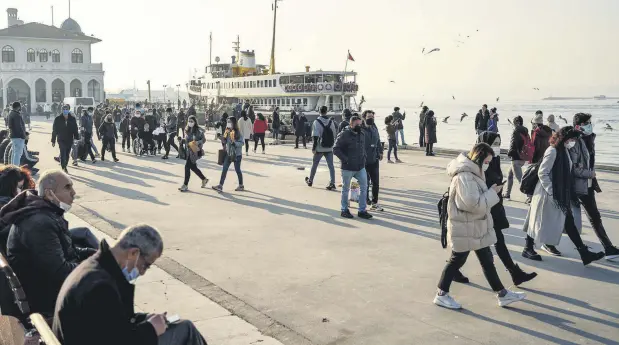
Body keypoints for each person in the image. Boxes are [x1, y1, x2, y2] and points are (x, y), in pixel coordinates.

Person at [53, 224, 208, 345]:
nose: (142, 272)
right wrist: (150, 329)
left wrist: (144, 319)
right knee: (185, 330)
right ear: (133, 253)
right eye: (146, 265)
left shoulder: (94, 267)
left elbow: (111, 325)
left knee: (180, 326)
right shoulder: (101, 287)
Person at [433, 143, 526, 310]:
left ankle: (502, 294)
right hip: (466, 226)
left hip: (473, 226)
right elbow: (472, 205)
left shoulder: (472, 173)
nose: (488, 165)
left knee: (486, 260)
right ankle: (441, 294)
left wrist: (491, 191)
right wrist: (492, 193)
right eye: (487, 161)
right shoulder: (465, 176)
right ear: (479, 158)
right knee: (457, 260)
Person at [2, 170, 97, 315]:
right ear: (49, 193)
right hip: (46, 298)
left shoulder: (45, 213)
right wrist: (96, 267)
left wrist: (99, 255)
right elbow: (60, 271)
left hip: (46, 287)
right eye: (67, 187)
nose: (73, 193)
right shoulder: (39, 223)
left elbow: (69, 250)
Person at [455, 133, 537, 286]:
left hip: (494, 206)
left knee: (479, 245)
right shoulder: (478, 164)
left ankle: (453, 270)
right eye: (494, 143)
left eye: (499, 143)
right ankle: (511, 277)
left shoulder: (494, 160)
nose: (497, 147)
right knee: (483, 247)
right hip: (483, 209)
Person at [522, 127, 605, 265]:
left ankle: (584, 253)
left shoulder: (564, 150)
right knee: (536, 219)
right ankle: (527, 248)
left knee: (568, 221)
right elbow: (543, 173)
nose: (573, 142)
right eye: (571, 139)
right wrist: (552, 193)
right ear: (564, 139)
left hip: (560, 193)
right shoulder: (553, 151)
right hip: (548, 193)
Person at [570, 113, 618, 261]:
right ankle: (537, 243)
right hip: (579, 185)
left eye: (590, 123)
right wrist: (590, 174)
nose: (590, 125)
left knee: (594, 216)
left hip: (588, 184)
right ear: (578, 126)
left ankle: (608, 248)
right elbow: (574, 167)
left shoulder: (589, 139)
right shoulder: (574, 142)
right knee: (564, 218)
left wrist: (592, 177)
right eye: (587, 123)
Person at [333, 116, 372, 220]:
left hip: (360, 167)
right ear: (351, 124)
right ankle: (344, 210)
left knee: (365, 187)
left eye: (360, 124)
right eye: (357, 124)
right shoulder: (344, 134)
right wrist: (345, 160)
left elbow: (363, 148)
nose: (359, 126)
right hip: (348, 167)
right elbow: (335, 149)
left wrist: (364, 158)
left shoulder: (362, 134)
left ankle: (362, 210)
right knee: (346, 189)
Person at [306, 106, 337, 190]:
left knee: (315, 164)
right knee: (331, 166)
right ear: (326, 112)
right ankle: (332, 183)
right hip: (329, 148)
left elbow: (315, 136)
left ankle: (310, 180)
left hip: (320, 148)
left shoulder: (316, 122)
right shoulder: (331, 122)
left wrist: (314, 148)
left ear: (319, 111)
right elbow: (334, 134)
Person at [212, 116, 244, 192]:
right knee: (224, 169)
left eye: (230, 122)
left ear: (234, 123)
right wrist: (220, 137)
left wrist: (234, 143)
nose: (228, 123)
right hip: (228, 153)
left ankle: (241, 185)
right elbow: (225, 141)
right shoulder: (227, 131)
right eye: (227, 122)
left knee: (237, 170)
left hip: (237, 154)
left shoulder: (238, 132)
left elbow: (242, 143)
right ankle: (220, 185)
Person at [179, 115, 208, 192]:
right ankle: (204, 179)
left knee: (187, 167)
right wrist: (183, 140)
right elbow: (187, 139)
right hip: (189, 151)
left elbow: (204, 140)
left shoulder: (199, 131)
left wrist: (197, 142)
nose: (190, 123)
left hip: (195, 151)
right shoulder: (187, 129)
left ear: (195, 122)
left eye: (192, 121)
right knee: (193, 167)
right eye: (189, 121)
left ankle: (185, 185)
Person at [362, 111, 384, 211]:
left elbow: (378, 140)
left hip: (374, 159)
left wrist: (380, 152)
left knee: (376, 182)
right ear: (364, 117)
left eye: (372, 116)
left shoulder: (374, 128)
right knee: (365, 182)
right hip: (364, 160)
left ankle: (375, 202)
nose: (371, 118)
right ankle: (365, 200)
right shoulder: (361, 129)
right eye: (369, 117)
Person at [503, 116, 529, 200]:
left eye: (514, 123)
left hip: (516, 158)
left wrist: (510, 153)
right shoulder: (525, 131)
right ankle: (507, 194)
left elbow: (513, 143)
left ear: (517, 123)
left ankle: (530, 197)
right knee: (510, 174)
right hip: (522, 157)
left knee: (520, 179)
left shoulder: (516, 131)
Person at [52, 107, 80, 173]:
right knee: (62, 152)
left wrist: (76, 138)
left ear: (68, 110)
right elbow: (54, 130)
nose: (65, 111)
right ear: (62, 110)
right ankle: (63, 167)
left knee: (67, 153)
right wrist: (53, 140)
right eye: (64, 110)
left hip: (69, 139)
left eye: (66, 110)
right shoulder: (58, 119)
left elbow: (75, 129)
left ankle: (65, 165)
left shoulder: (72, 119)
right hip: (61, 138)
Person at [7, 102, 26, 166]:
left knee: (14, 153)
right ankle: (15, 168)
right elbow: (19, 127)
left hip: (13, 135)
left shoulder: (11, 113)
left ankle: (13, 167)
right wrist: (23, 136)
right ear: (18, 107)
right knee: (18, 153)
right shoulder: (16, 115)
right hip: (18, 136)